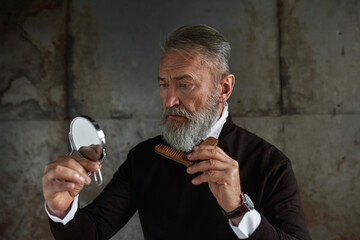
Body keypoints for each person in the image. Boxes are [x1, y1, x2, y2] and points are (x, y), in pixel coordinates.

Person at [42, 24, 311, 239]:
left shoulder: (270, 164)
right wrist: (61, 209)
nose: (170, 100)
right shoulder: (144, 159)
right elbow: (91, 232)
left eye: (184, 85)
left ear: (224, 89)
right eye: (163, 85)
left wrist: (239, 210)